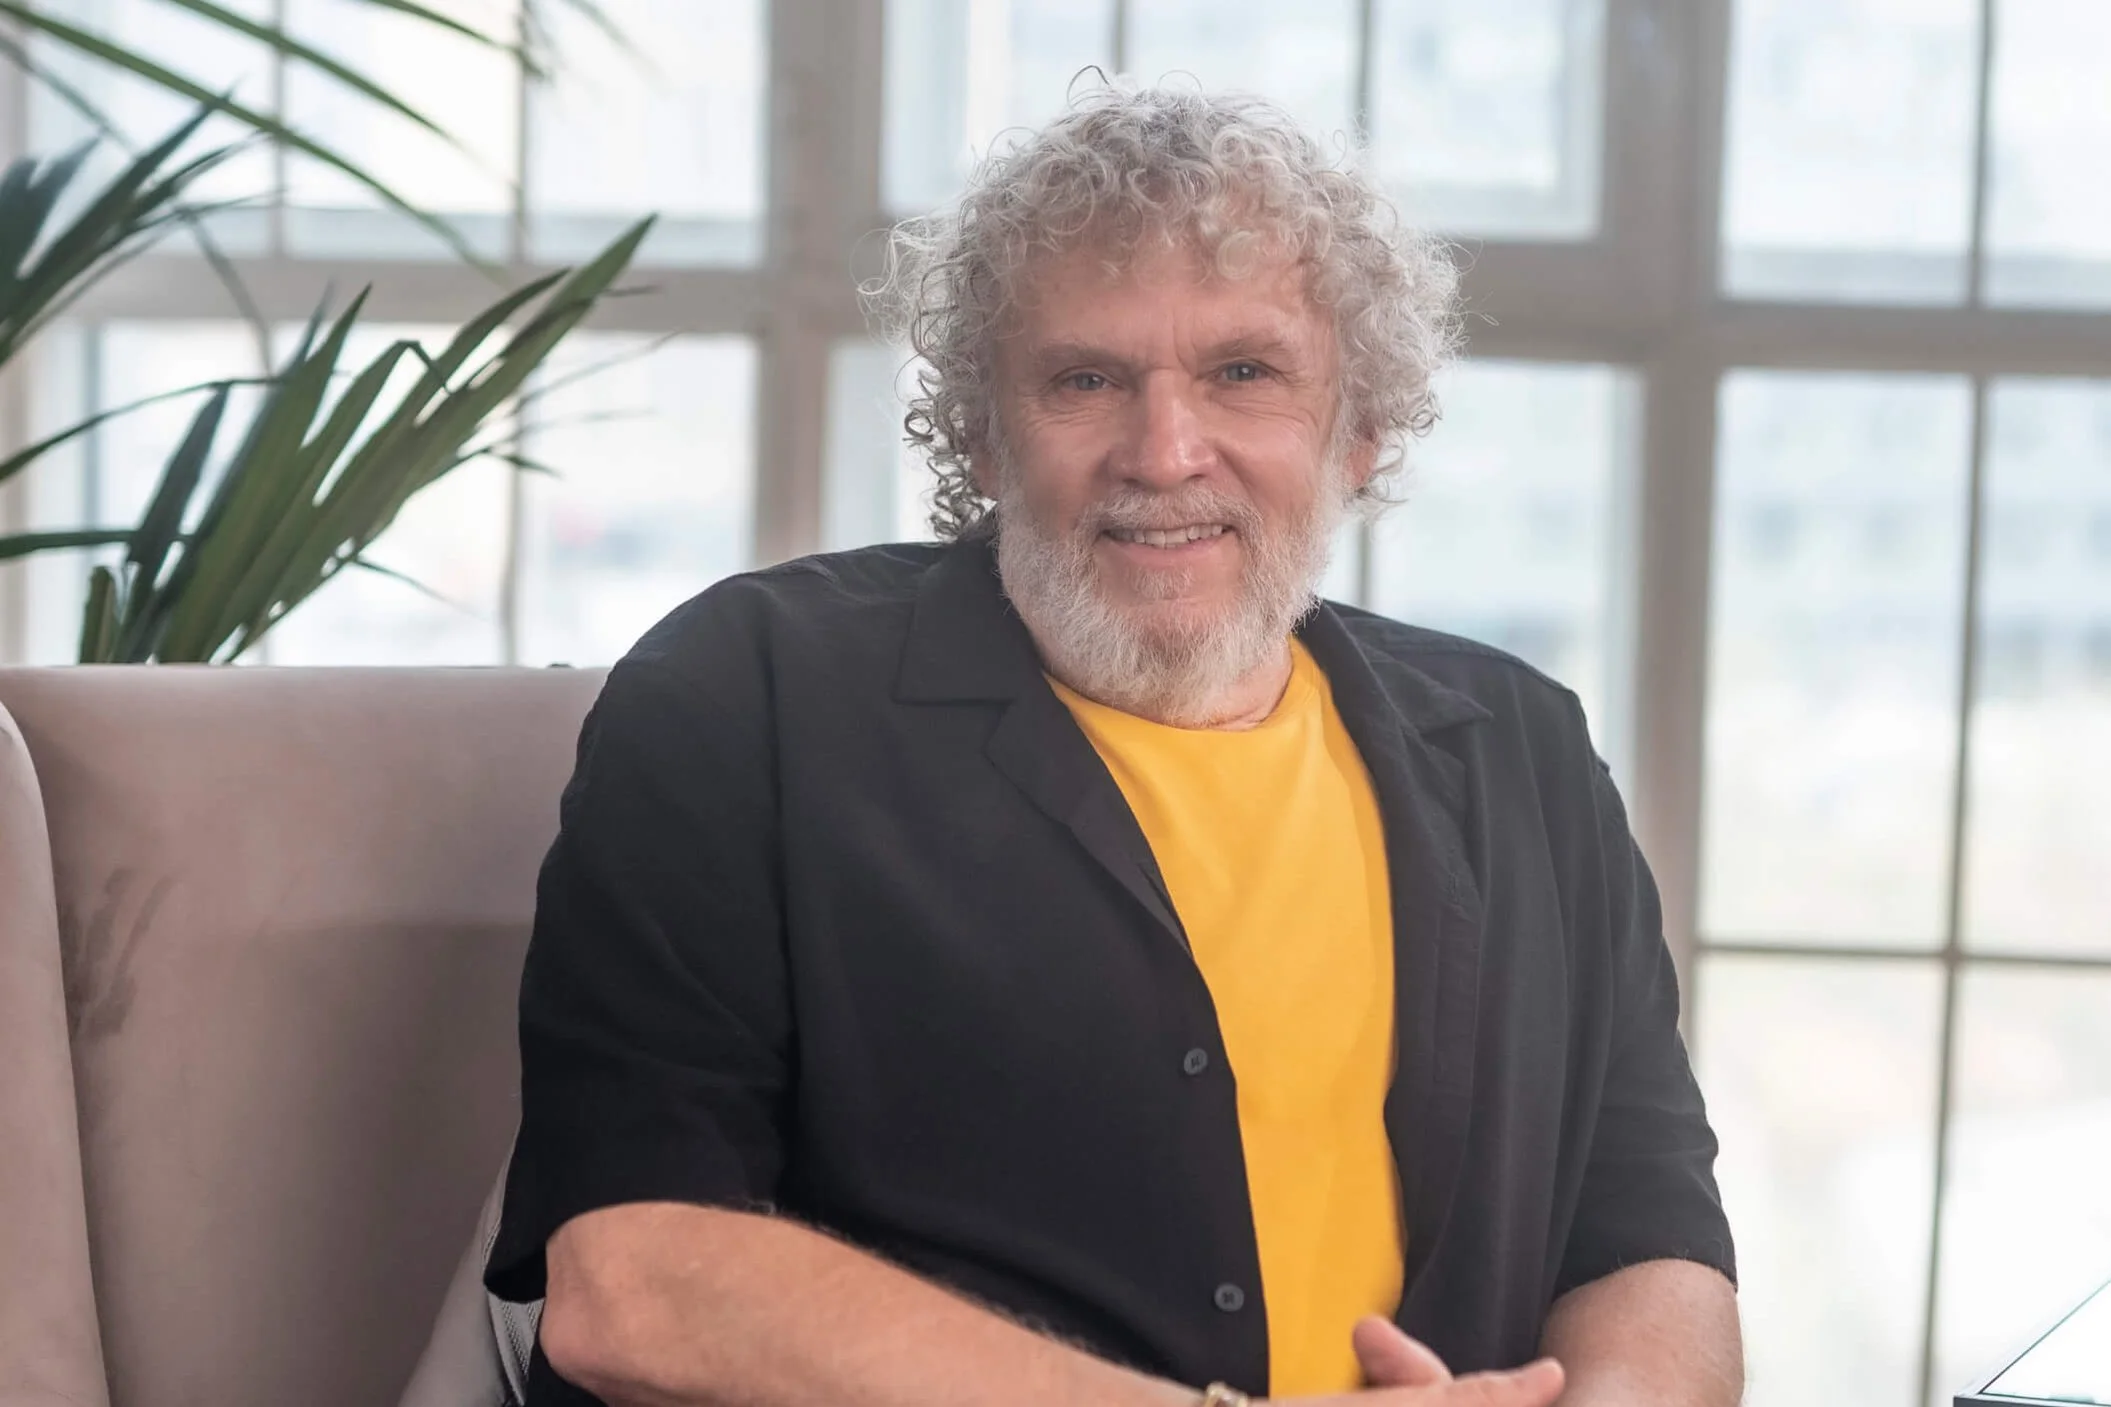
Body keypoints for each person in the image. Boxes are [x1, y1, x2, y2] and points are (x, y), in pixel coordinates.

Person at [485, 84, 1740, 1407]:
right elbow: (631, 1280)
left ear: (1360, 427)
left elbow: (1652, 1244)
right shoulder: (743, 699)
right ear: (978, 424)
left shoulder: (1521, 753)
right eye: (1085, 379)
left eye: (1242, 373)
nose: (1164, 449)